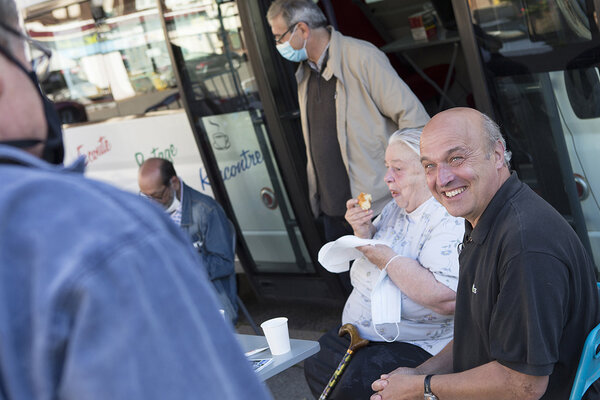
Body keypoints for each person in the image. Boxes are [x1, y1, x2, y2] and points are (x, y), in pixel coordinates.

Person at [0, 4, 270, 398]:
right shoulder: (115, 235)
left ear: (173, 184)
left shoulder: (202, 211)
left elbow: (220, 262)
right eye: (30, 60)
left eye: (156, 195)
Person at [371, 108, 600, 400]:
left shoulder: (525, 243)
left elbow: (525, 386)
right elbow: (477, 333)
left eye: (456, 158)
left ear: (497, 153)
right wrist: (419, 374)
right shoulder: (487, 217)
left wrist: (423, 388)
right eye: (429, 165)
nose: (441, 179)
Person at [303, 129, 464, 399]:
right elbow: (371, 251)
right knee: (317, 358)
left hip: (418, 344)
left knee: (357, 382)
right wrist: (363, 231)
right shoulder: (393, 209)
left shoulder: (446, 219)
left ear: (427, 171)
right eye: (387, 168)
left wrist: (377, 252)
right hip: (363, 334)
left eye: (397, 169)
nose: (387, 177)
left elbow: (446, 298)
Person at [266, 0, 430, 243]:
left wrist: (404, 181)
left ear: (302, 29)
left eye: (280, 37)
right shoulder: (305, 72)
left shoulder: (362, 57)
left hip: (377, 210)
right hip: (334, 213)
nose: (278, 45)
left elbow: (414, 121)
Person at [138, 157, 238, 323]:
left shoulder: (206, 210)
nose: (152, 204)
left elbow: (224, 263)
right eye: (146, 197)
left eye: (157, 196)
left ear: (174, 183)